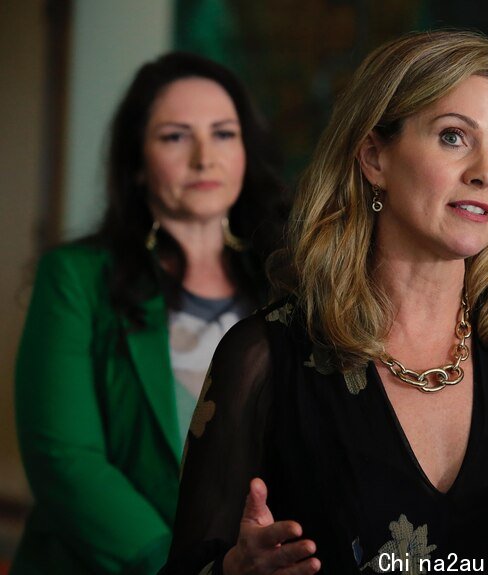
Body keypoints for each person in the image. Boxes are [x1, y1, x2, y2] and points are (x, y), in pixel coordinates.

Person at [162, 30, 488, 575]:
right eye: (454, 137)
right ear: (373, 156)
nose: (486, 172)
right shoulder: (265, 356)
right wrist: (231, 573)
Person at [13, 52, 285, 575]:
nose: (205, 157)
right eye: (176, 136)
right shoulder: (75, 277)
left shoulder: (289, 280)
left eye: (224, 134)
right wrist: (186, 569)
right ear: (136, 161)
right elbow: (66, 462)